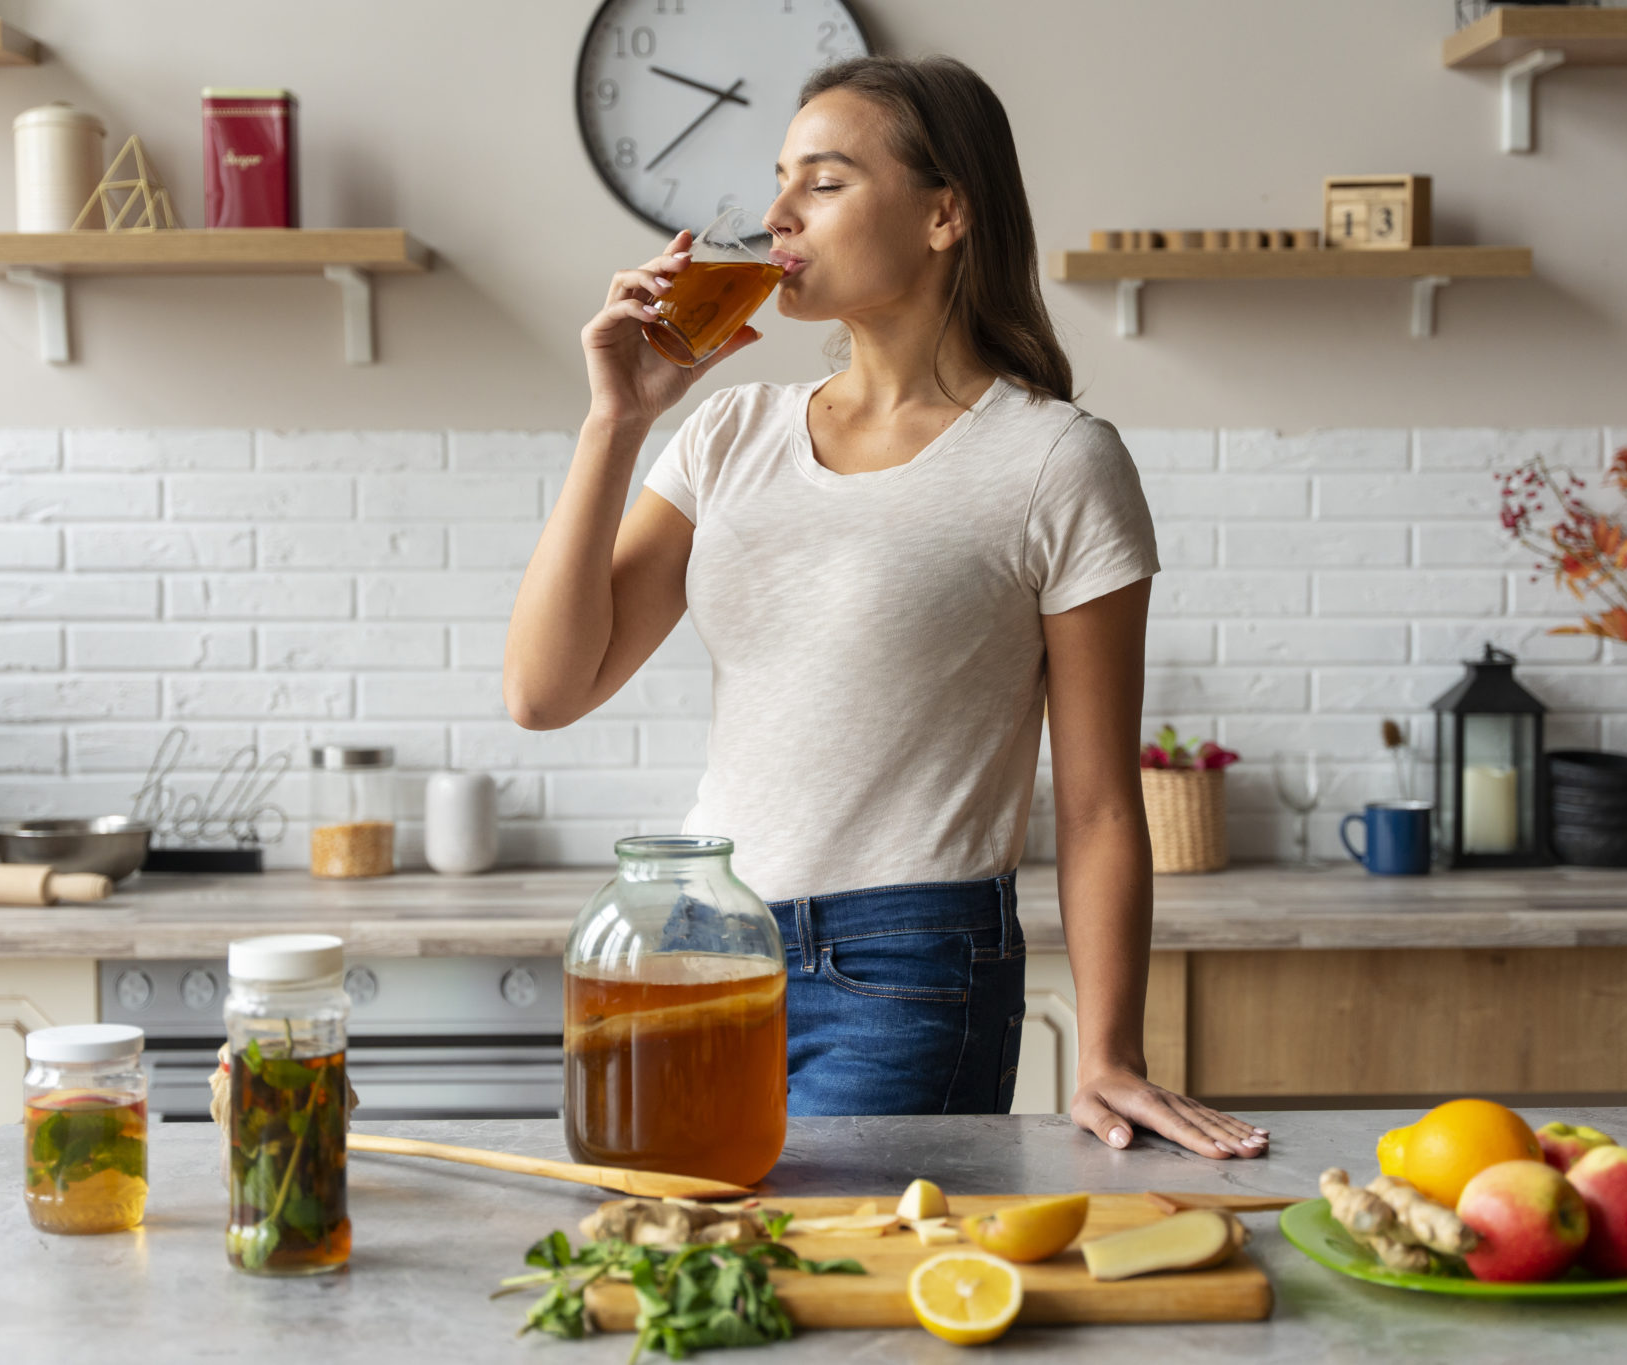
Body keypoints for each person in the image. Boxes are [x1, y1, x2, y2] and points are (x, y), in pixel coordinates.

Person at [504, 55, 1267, 1160]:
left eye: (821, 182)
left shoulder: (1055, 460)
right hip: (703, 944)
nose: (773, 216)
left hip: (905, 969)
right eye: (777, 180)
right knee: (689, 1267)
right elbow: (543, 690)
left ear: (943, 213)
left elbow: (1101, 805)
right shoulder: (728, 433)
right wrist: (613, 422)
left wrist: (1109, 1053)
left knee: (847, 1296)